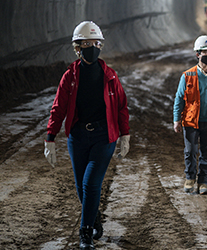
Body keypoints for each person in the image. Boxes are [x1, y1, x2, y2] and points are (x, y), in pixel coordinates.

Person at [44, 21, 130, 250]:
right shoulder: (69, 77)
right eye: (85, 43)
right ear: (77, 48)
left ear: (100, 45)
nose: (91, 47)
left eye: (95, 43)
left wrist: (125, 135)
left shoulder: (110, 76)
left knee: (91, 183)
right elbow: (58, 107)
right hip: (78, 137)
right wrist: (50, 137)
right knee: (81, 187)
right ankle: (95, 218)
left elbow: (122, 106)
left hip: (104, 137)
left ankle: (85, 235)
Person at [173, 35, 207, 195]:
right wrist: (176, 119)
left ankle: (203, 182)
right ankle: (190, 178)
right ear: (198, 54)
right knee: (190, 152)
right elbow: (179, 98)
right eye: (206, 52)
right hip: (190, 122)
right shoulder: (187, 76)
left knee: (206, 154)